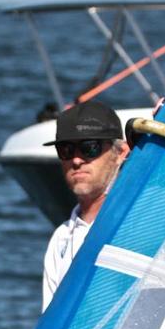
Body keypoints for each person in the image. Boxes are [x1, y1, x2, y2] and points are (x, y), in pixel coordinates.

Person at [41, 100, 129, 311]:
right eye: (66, 150)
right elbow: (49, 322)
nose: (77, 160)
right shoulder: (60, 239)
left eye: (90, 148)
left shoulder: (137, 220)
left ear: (121, 153)